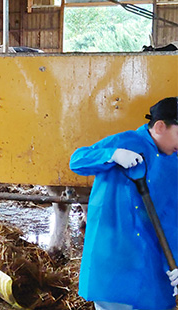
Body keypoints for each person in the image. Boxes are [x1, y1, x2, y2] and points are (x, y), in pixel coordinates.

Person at [70, 97, 178, 310]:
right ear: (159, 127)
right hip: (113, 259)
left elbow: (172, 218)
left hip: (151, 267)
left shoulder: (173, 164)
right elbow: (77, 160)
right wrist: (111, 155)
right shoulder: (124, 142)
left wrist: (175, 263)